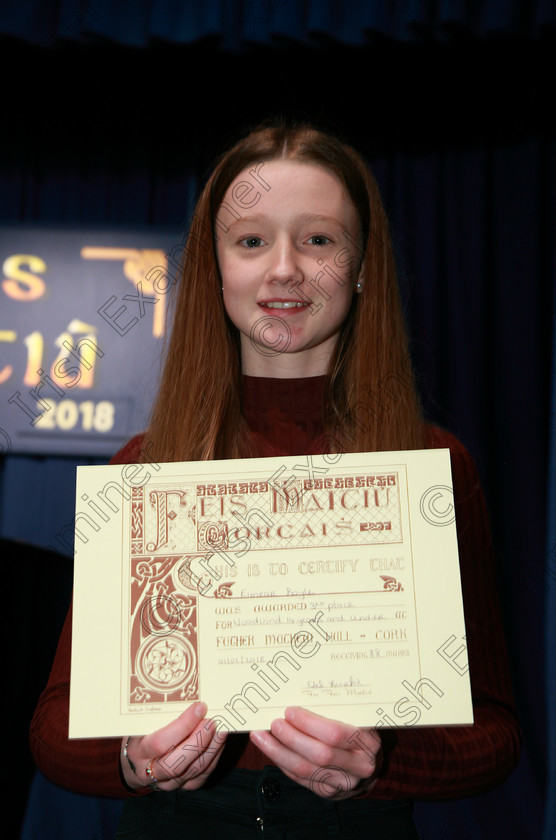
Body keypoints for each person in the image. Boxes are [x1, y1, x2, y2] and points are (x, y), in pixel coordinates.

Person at [30, 120, 522, 839]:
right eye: (252, 240)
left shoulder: (432, 467)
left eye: (318, 239)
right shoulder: (143, 470)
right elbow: (53, 729)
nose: (284, 269)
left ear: (360, 265)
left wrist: (381, 764)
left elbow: (495, 733)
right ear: (217, 266)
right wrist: (133, 763)